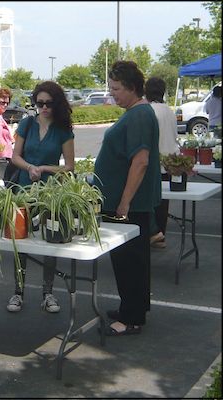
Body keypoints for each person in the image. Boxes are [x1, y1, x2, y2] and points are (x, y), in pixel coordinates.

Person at [94, 61, 161, 336]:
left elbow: (141, 161)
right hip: (125, 203)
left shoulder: (139, 116)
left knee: (130, 260)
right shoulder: (136, 113)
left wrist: (124, 202)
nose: (113, 94)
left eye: (116, 89)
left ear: (132, 87)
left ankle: (132, 318)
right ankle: (130, 308)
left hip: (128, 205)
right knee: (127, 260)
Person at [6, 81, 75, 313]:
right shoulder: (26, 124)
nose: (44, 108)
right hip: (24, 188)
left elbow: (69, 166)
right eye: (39, 103)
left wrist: (44, 168)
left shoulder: (63, 129)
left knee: (50, 241)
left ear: (57, 104)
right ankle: (18, 291)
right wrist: (29, 167)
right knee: (20, 240)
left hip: (51, 193)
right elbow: (15, 156)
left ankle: (48, 292)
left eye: (48, 103)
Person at [145, 77, 180, 249]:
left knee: (149, 202)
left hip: (154, 163)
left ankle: (152, 234)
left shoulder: (148, 111)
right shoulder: (169, 111)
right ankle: (161, 236)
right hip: (171, 162)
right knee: (163, 204)